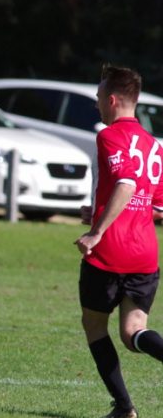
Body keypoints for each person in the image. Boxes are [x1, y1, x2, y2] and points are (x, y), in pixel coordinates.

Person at [74, 65, 163, 418]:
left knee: (94, 325)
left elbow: (126, 184)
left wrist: (97, 231)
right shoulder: (153, 145)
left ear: (112, 100)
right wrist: (96, 213)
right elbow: (155, 206)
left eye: (98, 98)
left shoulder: (108, 136)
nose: (97, 104)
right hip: (145, 254)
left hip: (109, 253)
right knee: (132, 332)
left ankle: (125, 408)